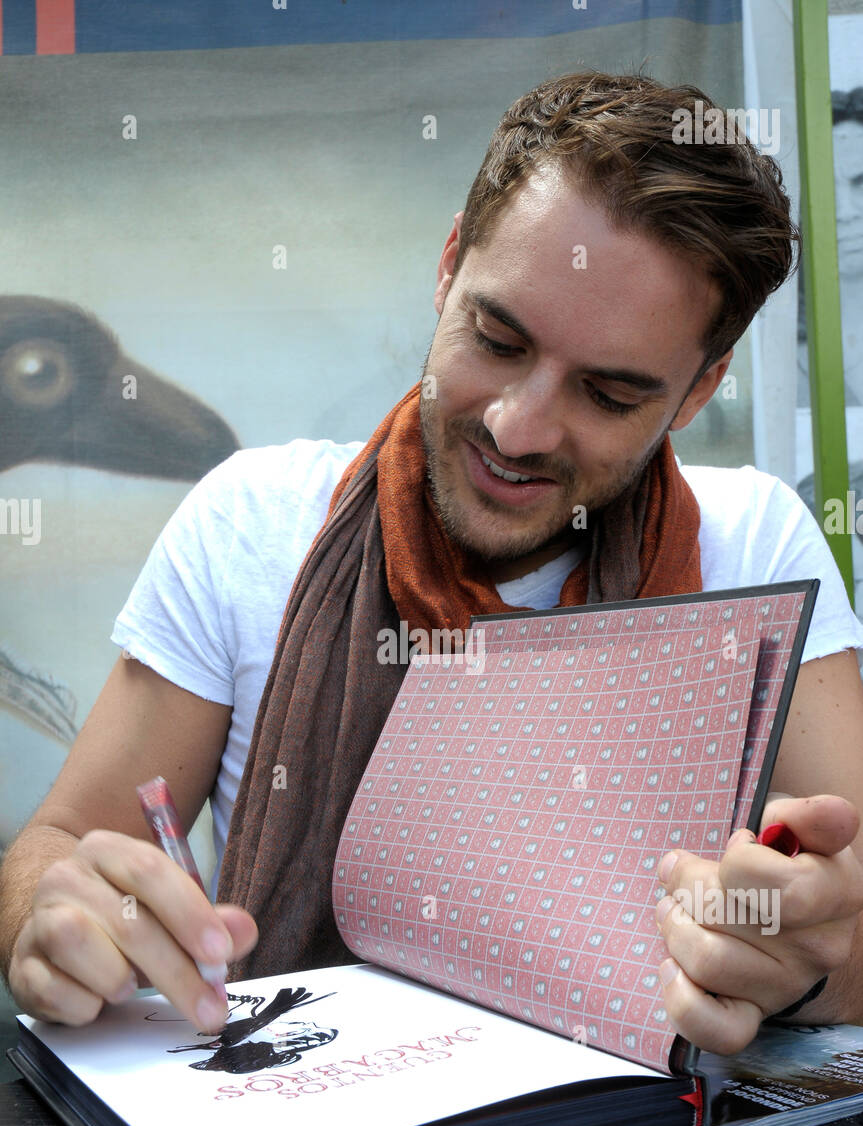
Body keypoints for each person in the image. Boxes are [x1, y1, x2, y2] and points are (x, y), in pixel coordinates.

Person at [3, 70, 863, 1058]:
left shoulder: (753, 548)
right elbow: (56, 845)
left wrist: (797, 963)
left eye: (609, 393)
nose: (516, 424)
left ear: (699, 387)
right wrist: (50, 914)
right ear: (449, 266)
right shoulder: (250, 523)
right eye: (496, 340)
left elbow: (851, 934)